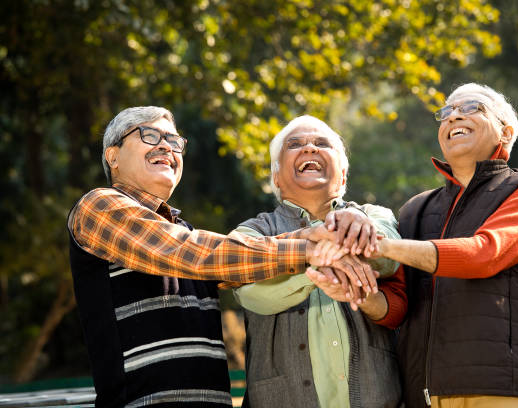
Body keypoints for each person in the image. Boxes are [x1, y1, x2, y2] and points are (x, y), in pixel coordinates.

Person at [67, 106, 355, 408]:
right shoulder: (99, 206)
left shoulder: (185, 232)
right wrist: (309, 247)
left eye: (174, 141)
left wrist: (317, 237)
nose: (166, 146)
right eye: (149, 135)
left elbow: (233, 260)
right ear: (113, 156)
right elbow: (195, 252)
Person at [309, 83, 518, 408]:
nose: (453, 117)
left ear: (505, 133)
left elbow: (485, 254)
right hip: (422, 393)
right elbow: (396, 309)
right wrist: (359, 293)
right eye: (446, 112)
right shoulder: (415, 209)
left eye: (472, 107)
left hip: (501, 386)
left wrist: (380, 246)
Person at [233, 115, 403, 408]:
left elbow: (389, 256)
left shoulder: (374, 215)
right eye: (295, 144)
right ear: (276, 177)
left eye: (322, 144)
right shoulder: (251, 232)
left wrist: (355, 225)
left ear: (344, 176)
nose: (310, 148)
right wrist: (319, 264)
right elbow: (251, 294)